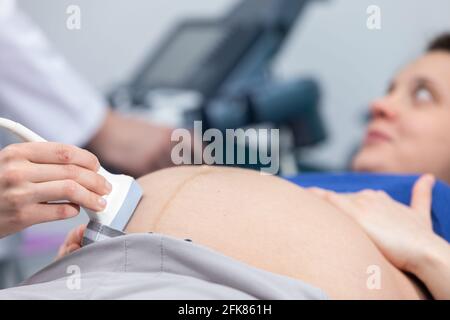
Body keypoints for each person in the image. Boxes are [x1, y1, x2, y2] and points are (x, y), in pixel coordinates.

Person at [2, 34, 450, 299]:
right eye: (390, 88)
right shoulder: (303, 182)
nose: (380, 105)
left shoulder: (433, 224)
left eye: (424, 94)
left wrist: (431, 254)